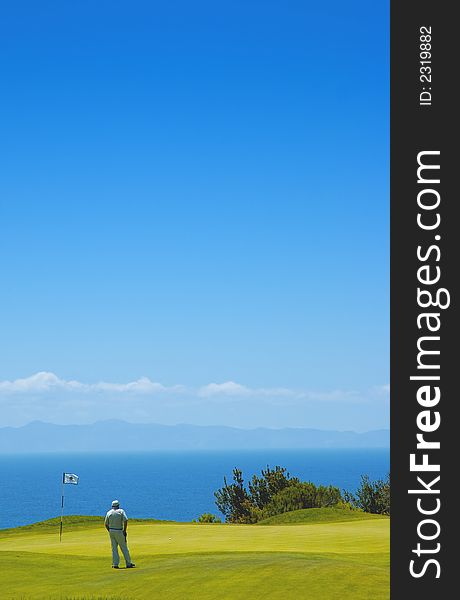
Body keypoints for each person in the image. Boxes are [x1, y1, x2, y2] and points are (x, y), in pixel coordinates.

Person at [104, 499, 136, 569]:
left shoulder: (109, 513)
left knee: (114, 548)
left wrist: (110, 531)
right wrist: (124, 530)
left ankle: (115, 564)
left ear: (112, 506)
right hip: (119, 531)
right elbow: (125, 520)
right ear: (118, 505)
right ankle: (128, 563)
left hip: (112, 531)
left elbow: (106, 524)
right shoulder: (121, 511)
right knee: (124, 547)